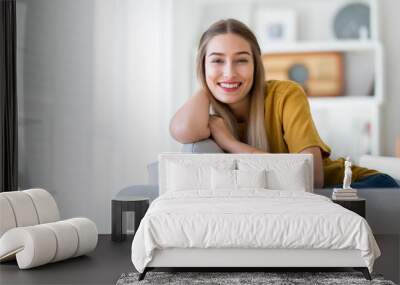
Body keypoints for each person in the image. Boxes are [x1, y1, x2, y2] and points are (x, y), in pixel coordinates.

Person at [169, 18, 399, 189]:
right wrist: (208, 85)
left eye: (241, 60)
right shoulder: (204, 112)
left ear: (256, 65)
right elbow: (182, 130)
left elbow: (313, 178)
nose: (229, 72)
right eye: (217, 60)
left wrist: (230, 143)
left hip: (358, 188)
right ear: (202, 66)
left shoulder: (285, 95)